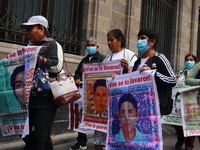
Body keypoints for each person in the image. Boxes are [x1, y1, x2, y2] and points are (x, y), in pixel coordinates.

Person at [20, 15, 63, 150]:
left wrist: (37, 58)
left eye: (30, 29)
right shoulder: (29, 46)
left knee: (41, 136)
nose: (27, 33)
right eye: (26, 30)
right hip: (28, 99)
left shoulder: (52, 45)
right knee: (25, 134)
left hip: (46, 100)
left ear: (41, 29)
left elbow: (56, 66)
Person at [94, 29, 137, 150]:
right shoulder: (107, 57)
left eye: (111, 40)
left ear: (120, 40)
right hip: (106, 100)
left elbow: (136, 75)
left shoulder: (130, 55)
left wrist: (127, 68)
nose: (109, 43)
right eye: (107, 40)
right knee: (101, 133)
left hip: (121, 101)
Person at [69, 37, 105, 150]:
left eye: (92, 45)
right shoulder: (84, 60)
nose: (90, 47)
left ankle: (100, 142)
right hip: (84, 92)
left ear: (97, 47)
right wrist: (77, 78)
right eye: (88, 45)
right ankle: (81, 142)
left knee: (98, 117)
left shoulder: (102, 59)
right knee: (82, 117)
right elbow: (77, 73)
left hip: (96, 93)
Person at [132, 29, 177, 116]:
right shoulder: (137, 62)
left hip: (157, 108)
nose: (139, 41)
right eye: (138, 39)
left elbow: (173, 80)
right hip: (140, 107)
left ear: (152, 42)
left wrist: (154, 73)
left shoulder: (160, 58)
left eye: (143, 38)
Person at [173, 54, 198, 150]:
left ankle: (189, 144)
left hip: (193, 101)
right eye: (187, 60)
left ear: (195, 62)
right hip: (180, 100)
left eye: (191, 60)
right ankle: (180, 139)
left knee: (191, 122)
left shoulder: (198, 73)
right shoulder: (181, 72)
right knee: (178, 122)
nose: (189, 62)